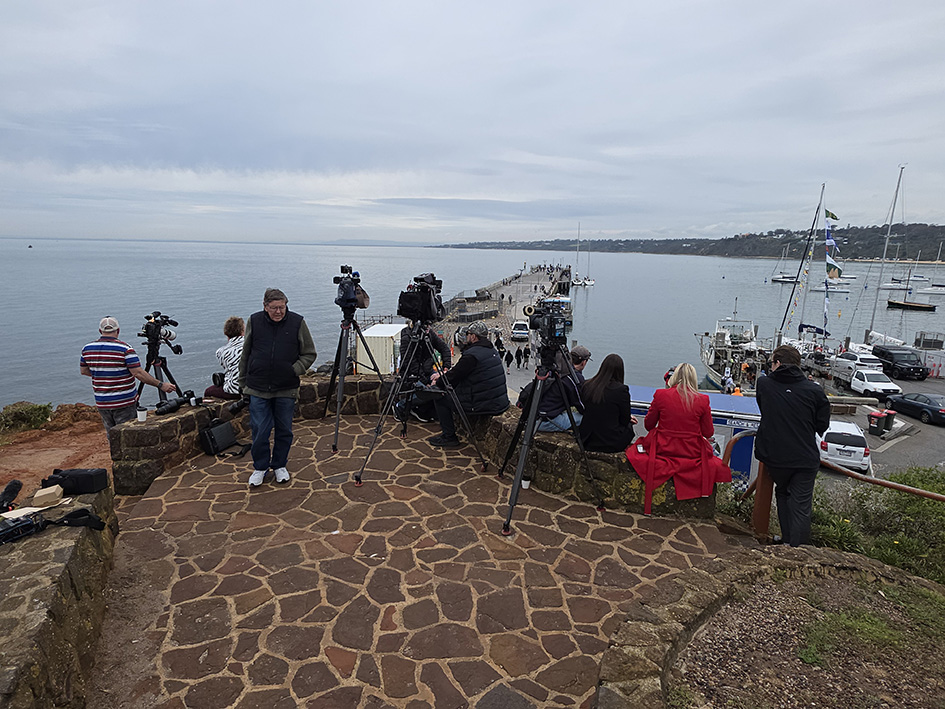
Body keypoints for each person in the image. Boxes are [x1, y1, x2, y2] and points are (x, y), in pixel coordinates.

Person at [626, 363, 731, 514]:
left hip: (663, 447)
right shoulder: (703, 400)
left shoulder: (661, 395)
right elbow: (708, 433)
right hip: (691, 451)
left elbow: (649, 425)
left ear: (674, 377)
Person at [239, 288, 317, 488]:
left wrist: (294, 370)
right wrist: (243, 381)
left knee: (284, 430)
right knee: (260, 430)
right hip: (257, 387)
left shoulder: (297, 322)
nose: (279, 312)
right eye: (274, 308)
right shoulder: (254, 321)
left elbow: (309, 353)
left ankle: (280, 465)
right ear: (265, 307)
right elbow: (246, 353)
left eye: (282, 307)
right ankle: (260, 467)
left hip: (286, 387)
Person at [754, 345, 831, 547]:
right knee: (801, 506)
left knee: (782, 492)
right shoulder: (814, 391)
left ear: (777, 363)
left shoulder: (764, 384)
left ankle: (787, 539)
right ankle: (797, 549)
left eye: (772, 363)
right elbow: (822, 425)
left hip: (775, 455)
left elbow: (765, 409)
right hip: (804, 457)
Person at [80, 317, 176, 435]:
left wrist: (104, 375)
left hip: (102, 402)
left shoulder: (87, 349)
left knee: (112, 435)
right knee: (127, 434)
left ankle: (115, 454)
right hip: (124, 402)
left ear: (100, 331)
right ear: (118, 330)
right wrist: (161, 385)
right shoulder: (125, 349)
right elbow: (138, 373)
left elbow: (84, 371)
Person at [428, 321, 509, 448]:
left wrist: (437, 381)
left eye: (468, 334)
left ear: (474, 337)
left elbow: (452, 377)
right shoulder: (491, 349)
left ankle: (449, 437)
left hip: (482, 403)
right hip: (498, 401)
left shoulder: (471, 355)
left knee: (440, 396)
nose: (466, 336)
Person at [578, 353, 637, 452]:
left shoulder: (587, 385)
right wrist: (629, 420)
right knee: (629, 428)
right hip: (609, 443)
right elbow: (624, 419)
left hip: (587, 440)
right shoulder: (621, 390)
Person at [394, 321, 451, 423]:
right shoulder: (407, 337)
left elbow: (444, 348)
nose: (429, 328)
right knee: (426, 390)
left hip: (428, 370)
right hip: (410, 374)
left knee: (441, 385)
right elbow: (410, 363)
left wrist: (445, 369)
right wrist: (427, 382)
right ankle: (400, 406)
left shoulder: (429, 334)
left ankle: (421, 410)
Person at [203, 316, 245, 400]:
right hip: (254, 387)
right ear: (242, 331)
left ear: (226, 333)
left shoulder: (221, 351)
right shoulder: (252, 344)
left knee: (208, 391)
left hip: (236, 390)